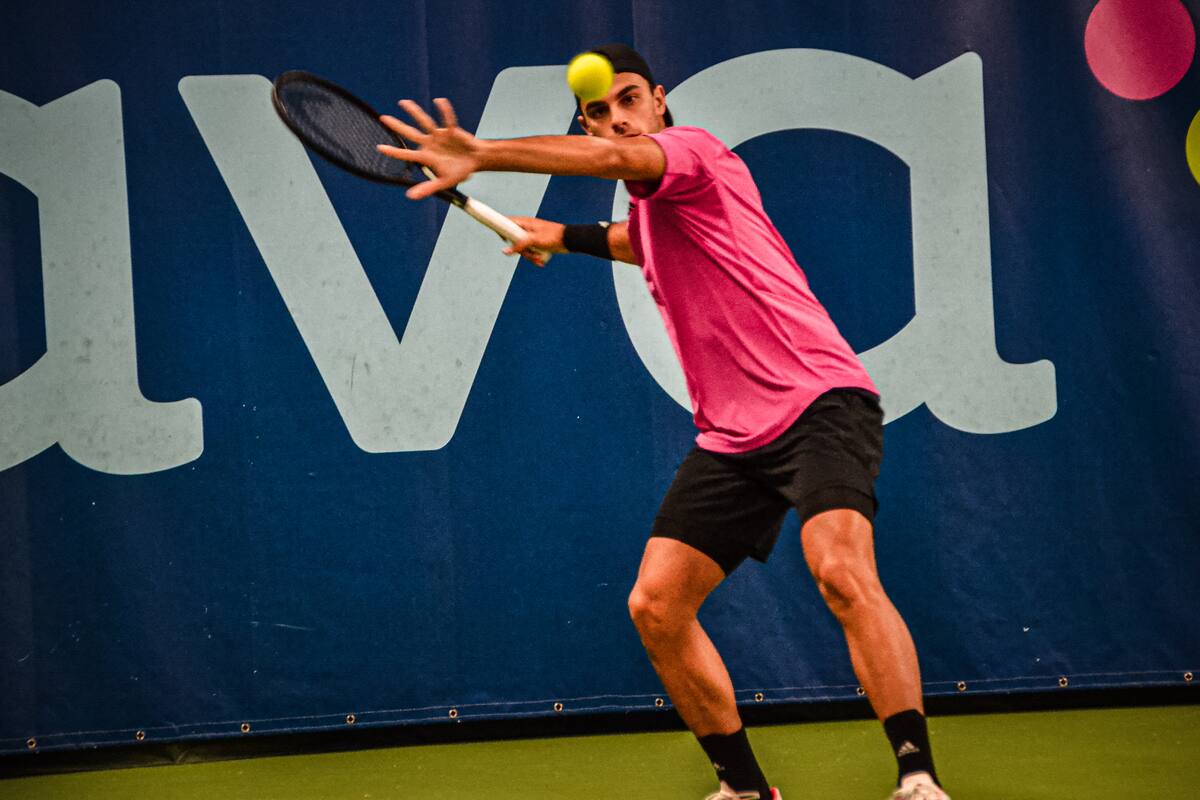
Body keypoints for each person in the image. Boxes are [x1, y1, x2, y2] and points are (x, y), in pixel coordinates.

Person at [378, 43, 950, 800]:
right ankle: (743, 787)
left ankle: (916, 776)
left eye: (626, 101)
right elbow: (635, 240)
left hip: (818, 401)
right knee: (656, 605)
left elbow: (624, 166)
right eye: (596, 111)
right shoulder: (656, 209)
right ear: (583, 122)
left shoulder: (693, 153)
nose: (615, 119)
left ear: (659, 99)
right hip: (731, 436)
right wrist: (561, 235)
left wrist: (482, 154)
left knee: (841, 571)